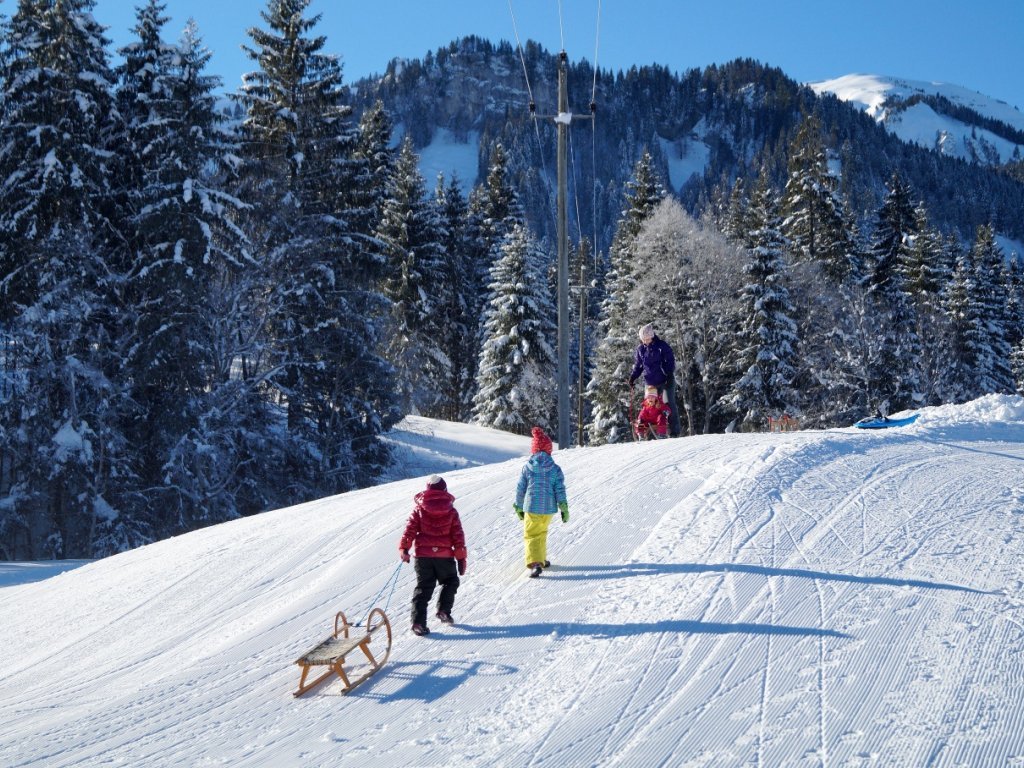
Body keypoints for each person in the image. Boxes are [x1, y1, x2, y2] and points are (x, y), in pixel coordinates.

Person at [398, 474, 467, 636]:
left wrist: (404, 549)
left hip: (423, 557)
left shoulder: (419, 509)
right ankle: (444, 610)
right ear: (444, 490)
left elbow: (409, 531)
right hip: (444, 556)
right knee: (451, 581)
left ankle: (418, 623)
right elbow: (458, 536)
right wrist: (461, 558)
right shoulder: (451, 511)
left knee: (423, 588)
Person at [513, 426, 569, 578]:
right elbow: (560, 489)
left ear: (534, 450)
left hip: (532, 508)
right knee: (542, 532)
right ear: (549, 450)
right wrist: (563, 508)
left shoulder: (528, 468)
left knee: (531, 534)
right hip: (548, 510)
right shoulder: (555, 469)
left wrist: (518, 505)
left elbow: (520, 489)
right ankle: (542, 558)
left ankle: (535, 563)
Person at [628, 323, 682, 438]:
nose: (646, 341)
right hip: (651, 383)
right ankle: (645, 433)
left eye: (647, 338)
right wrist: (633, 378)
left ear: (652, 336)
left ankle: (674, 432)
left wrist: (668, 373)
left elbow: (670, 361)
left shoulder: (661, 346)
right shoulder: (641, 349)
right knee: (648, 407)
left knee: (668, 405)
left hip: (666, 379)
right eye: (643, 339)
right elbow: (638, 366)